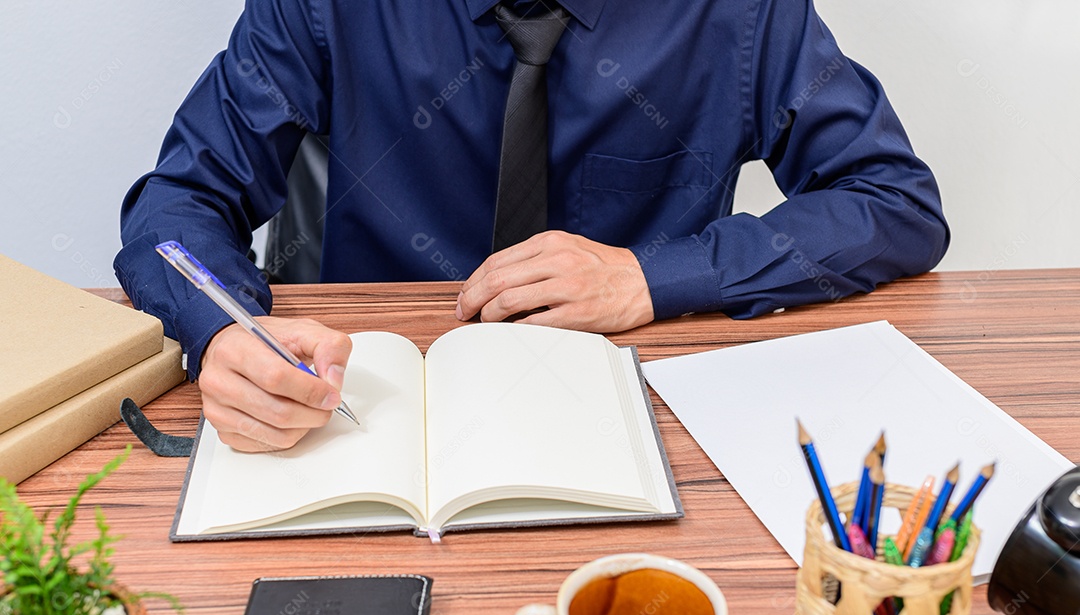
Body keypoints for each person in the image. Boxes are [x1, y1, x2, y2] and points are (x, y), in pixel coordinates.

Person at [115, 0, 948, 452]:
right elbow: (177, 205)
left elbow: (893, 200)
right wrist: (219, 333)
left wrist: (653, 276)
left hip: (635, 423)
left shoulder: (737, 14)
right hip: (357, 419)